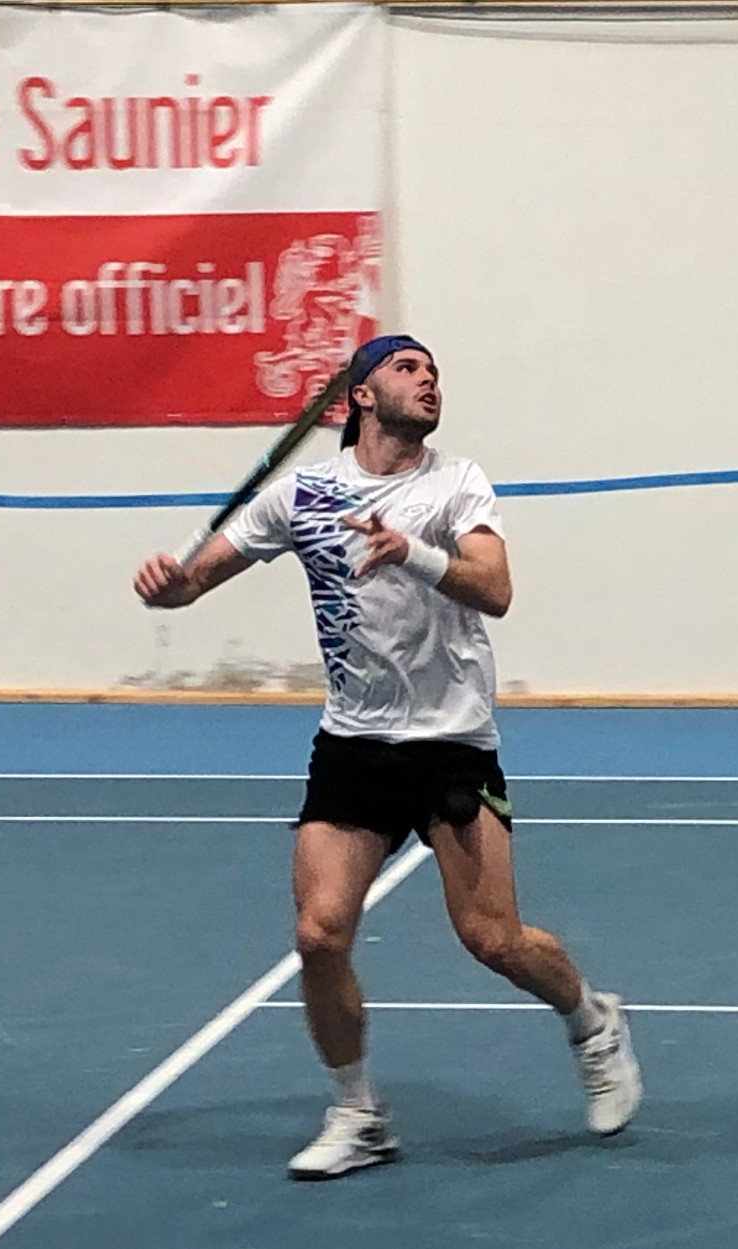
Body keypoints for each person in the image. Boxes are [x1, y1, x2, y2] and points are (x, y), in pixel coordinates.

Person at [132, 334, 641, 1179]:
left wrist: (414, 550)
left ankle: (592, 1021)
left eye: (434, 372)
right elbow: (195, 580)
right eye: (408, 369)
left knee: (493, 938)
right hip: (354, 742)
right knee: (318, 934)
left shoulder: (456, 483)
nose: (428, 380)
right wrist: (167, 585)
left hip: (451, 741)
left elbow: (496, 589)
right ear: (362, 395)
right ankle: (359, 1112)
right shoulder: (303, 494)